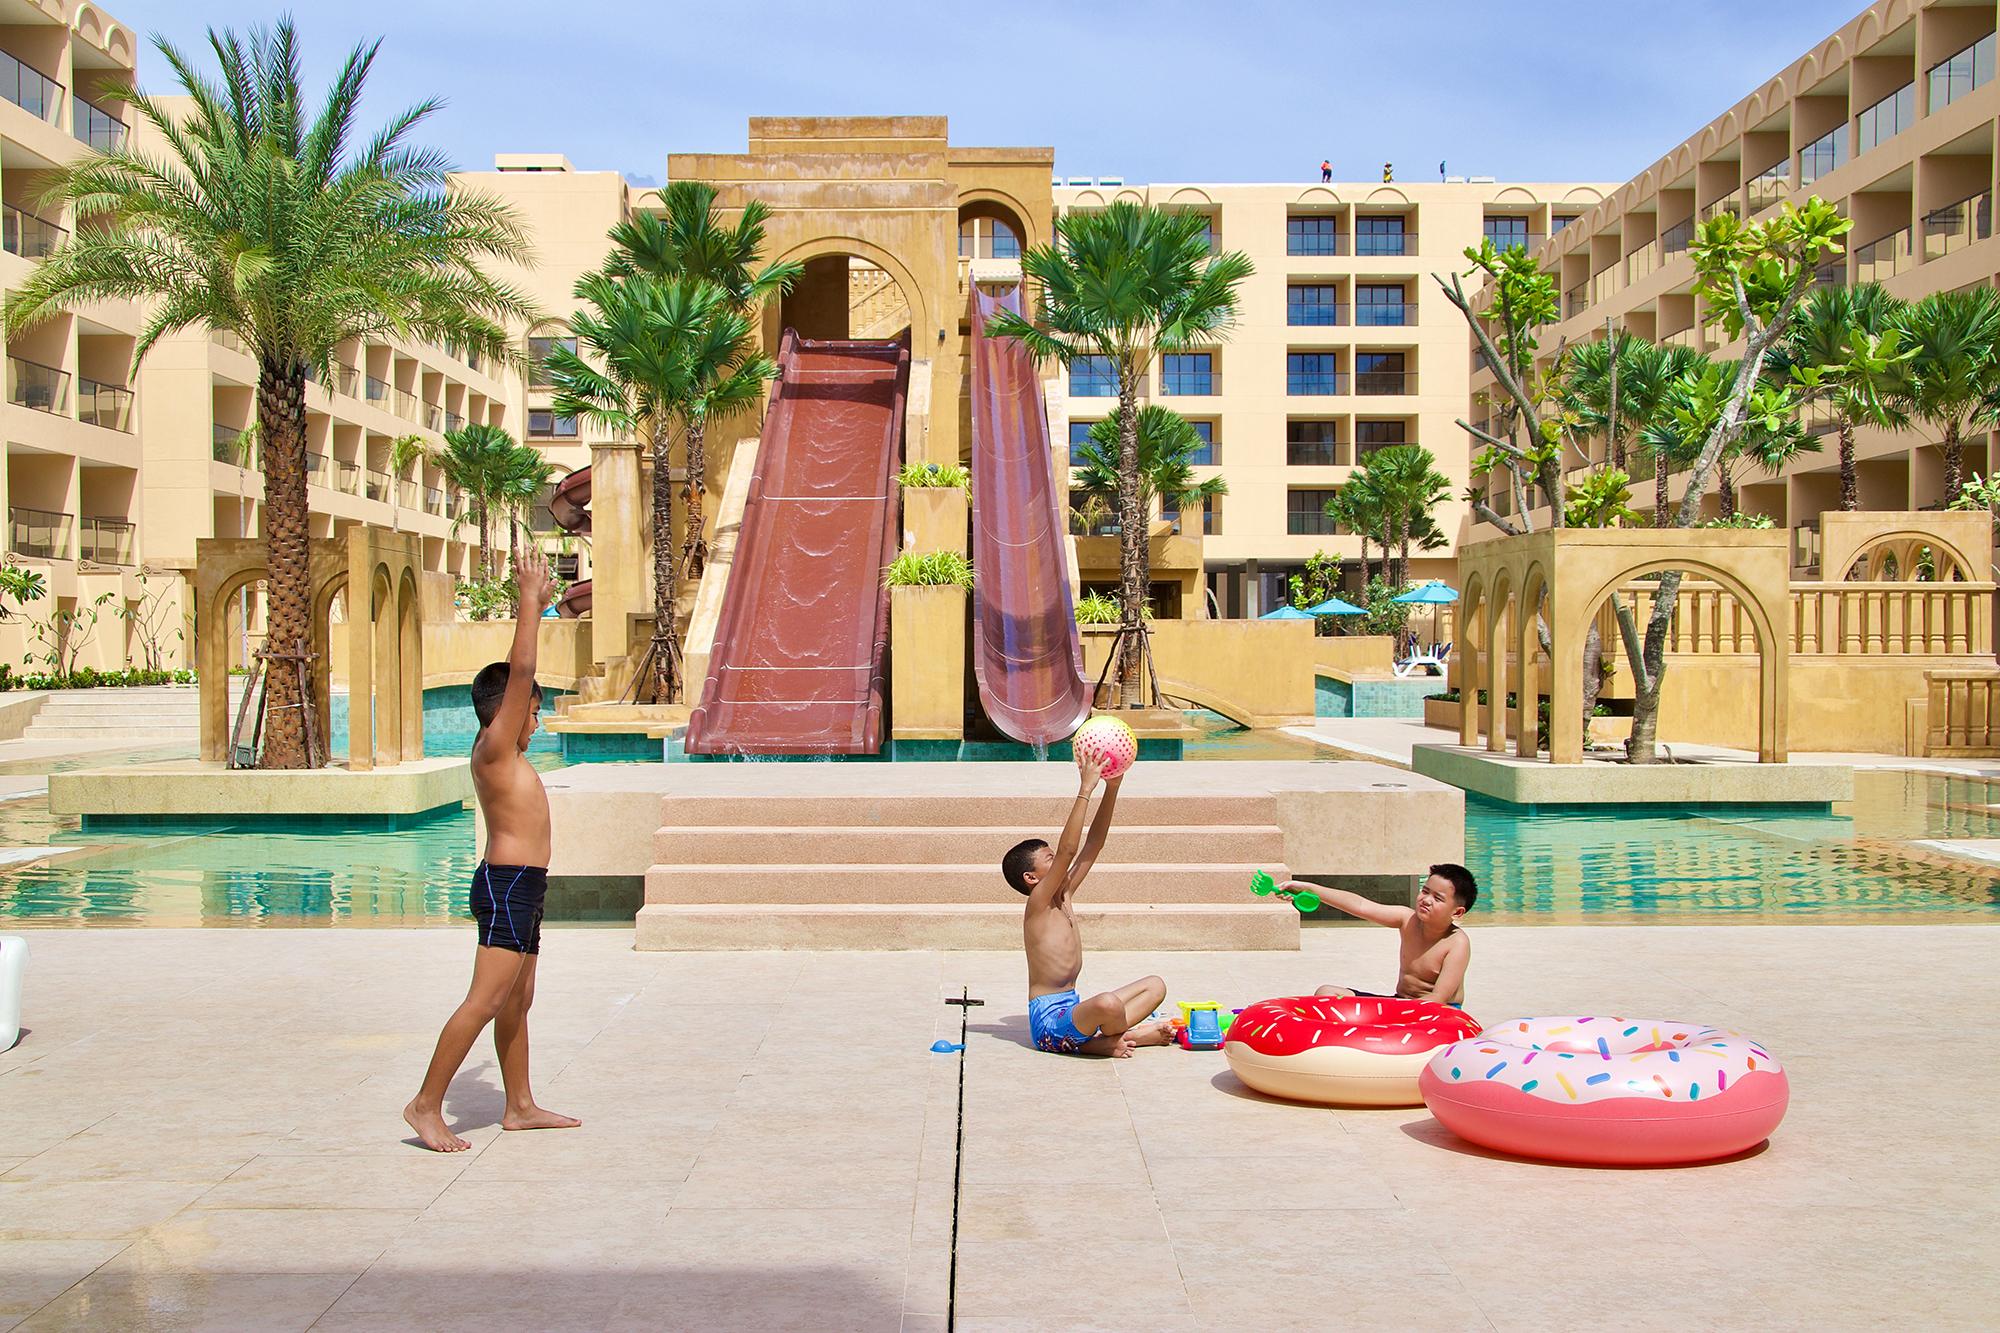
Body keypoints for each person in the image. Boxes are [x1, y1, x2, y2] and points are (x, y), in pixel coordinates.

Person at [404, 551, 579, 1152]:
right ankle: (426, 1105)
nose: (535, 720)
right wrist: (531, 598)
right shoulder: (495, 747)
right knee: (484, 999)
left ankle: (520, 1105)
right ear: (507, 712)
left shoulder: (507, 754)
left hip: (524, 885)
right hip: (507, 885)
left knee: (517, 997)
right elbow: (522, 669)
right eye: (530, 711)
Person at [1002, 755, 1171, 1057]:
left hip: (1074, 1009)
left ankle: (1106, 1040)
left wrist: (1113, 788)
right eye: (1049, 860)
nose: (1058, 863)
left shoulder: (1064, 894)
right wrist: (1086, 789)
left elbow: (1093, 844)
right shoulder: (1038, 903)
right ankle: (1118, 1039)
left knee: (1155, 986)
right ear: (1031, 878)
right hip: (1049, 1024)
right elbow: (1069, 850)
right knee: (1107, 1003)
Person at [1293, 863, 1476, 1006]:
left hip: (1439, 1012)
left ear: (1457, 912)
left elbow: (1439, 998)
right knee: (1326, 993)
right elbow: (1360, 905)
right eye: (1425, 891)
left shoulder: (1456, 943)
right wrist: (1307, 888)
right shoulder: (1407, 919)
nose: (1426, 900)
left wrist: (1389, 1013)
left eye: (1437, 898)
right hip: (1401, 1002)